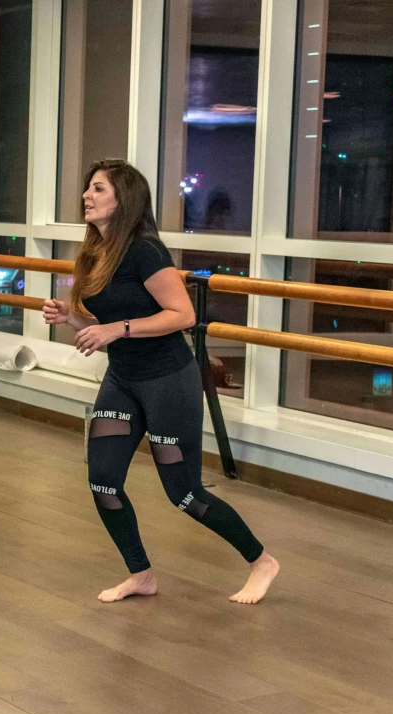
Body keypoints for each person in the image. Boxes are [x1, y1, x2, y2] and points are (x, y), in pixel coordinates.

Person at [42, 158, 280, 604]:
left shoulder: (144, 250)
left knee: (185, 495)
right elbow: (111, 319)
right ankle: (141, 574)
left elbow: (183, 316)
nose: (86, 197)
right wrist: (74, 318)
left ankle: (261, 561)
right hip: (123, 379)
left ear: (123, 200)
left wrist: (117, 329)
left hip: (167, 382)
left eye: (98, 190)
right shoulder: (97, 250)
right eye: (88, 189)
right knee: (103, 481)